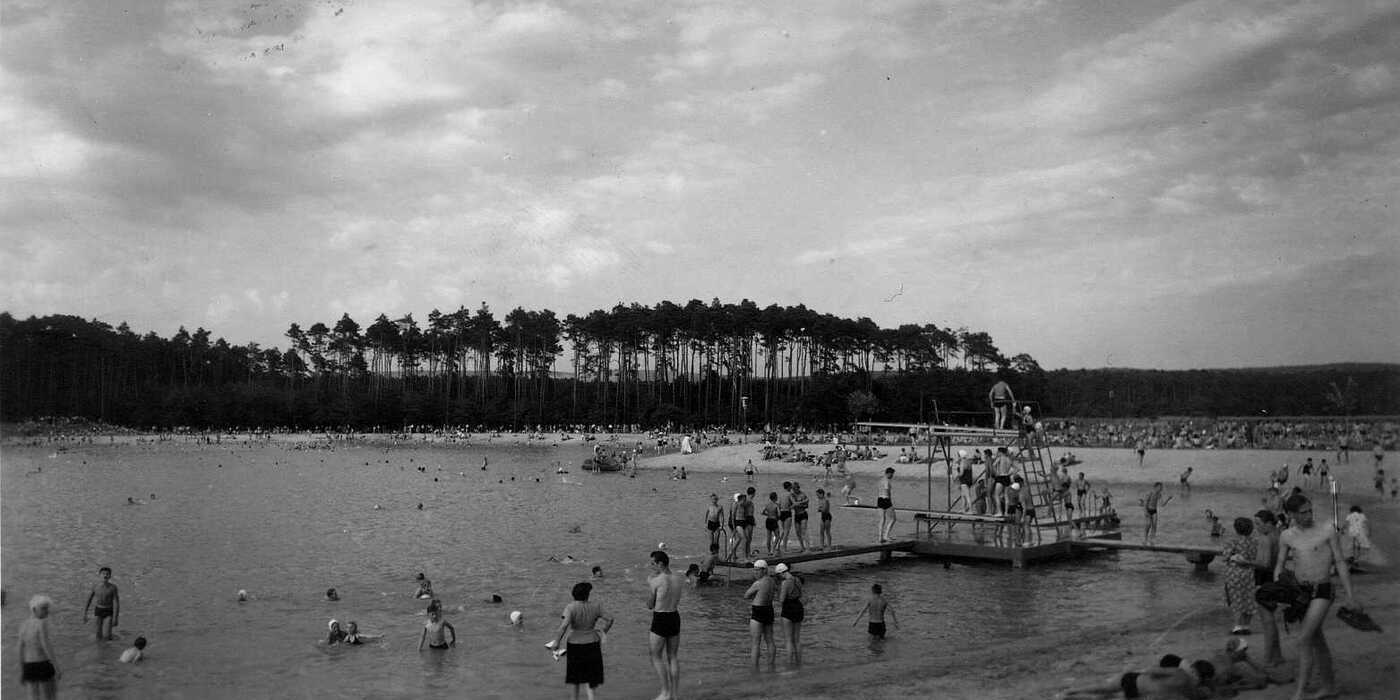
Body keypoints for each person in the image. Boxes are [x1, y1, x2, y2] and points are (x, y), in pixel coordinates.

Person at [1274, 493, 1360, 700]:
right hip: (1300, 593)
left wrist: (1350, 595)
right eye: (1303, 512)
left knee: (1303, 639)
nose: (1309, 515)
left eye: (1310, 510)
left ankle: (1300, 692)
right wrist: (1278, 588)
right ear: (1292, 514)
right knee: (1316, 640)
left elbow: (1339, 562)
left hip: (1323, 590)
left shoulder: (1327, 530)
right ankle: (1329, 687)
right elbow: (1279, 563)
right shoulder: (1286, 536)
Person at [551, 581, 614, 700]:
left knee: (575, 679)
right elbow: (610, 619)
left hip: (575, 645)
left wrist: (556, 642)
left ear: (573, 594)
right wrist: (603, 632)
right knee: (592, 678)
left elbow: (564, 626)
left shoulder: (570, 607)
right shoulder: (596, 606)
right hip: (593, 643)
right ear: (587, 595)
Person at [646, 550, 683, 700]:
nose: (651, 566)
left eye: (653, 563)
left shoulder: (656, 581)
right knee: (672, 656)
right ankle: (675, 694)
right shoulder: (678, 579)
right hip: (674, 616)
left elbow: (650, 604)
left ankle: (665, 692)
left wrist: (650, 582)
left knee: (655, 656)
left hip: (661, 618)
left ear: (660, 563)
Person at [1252, 510, 1285, 667]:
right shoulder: (1279, 535)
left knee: (1267, 622)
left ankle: (1268, 659)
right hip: (1275, 578)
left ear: (1268, 523)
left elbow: (1263, 564)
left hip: (1264, 580)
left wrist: (1244, 562)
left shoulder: (1265, 538)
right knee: (1270, 619)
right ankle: (1277, 656)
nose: (1256, 527)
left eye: (1258, 524)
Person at [1220, 517, 1258, 635]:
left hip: (1234, 573)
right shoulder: (1254, 541)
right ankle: (1246, 625)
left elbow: (1225, 556)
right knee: (1249, 598)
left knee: (1236, 599)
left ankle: (1238, 626)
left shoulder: (1232, 541)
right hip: (1249, 572)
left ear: (1236, 528)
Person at [18, 594, 58, 700]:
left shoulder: (24, 625)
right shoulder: (41, 623)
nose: (47, 611)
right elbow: (46, 645)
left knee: (33, 697)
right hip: (42, 664)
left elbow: (20, 650)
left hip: (29, 666)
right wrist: (56, 667)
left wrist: (22, 670)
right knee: (50, 696)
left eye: (47, 608)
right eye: (44, 608)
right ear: (34, 609)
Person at [743, 560, 777, 671]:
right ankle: (771, 666)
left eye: (757, 570)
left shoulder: (758, 583)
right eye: (754, 570)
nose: (755, 573)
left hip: (758, 610)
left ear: (764, 570)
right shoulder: (772, 581)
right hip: (769, 609)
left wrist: (756, 595)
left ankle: (755, 669)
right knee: (770, 640)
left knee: (755, 643)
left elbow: (746, 595)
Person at [775, 563, 804, 666]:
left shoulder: (785, 583)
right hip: (799, 607)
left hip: (788, 608)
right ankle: (799, 663)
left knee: (788, 640)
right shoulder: (798, 580)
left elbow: (782, 600)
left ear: (781, 573)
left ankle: (789, 664)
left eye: (778, 576)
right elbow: (801, 594)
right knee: (797, 639)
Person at [83, 565, 121, 641]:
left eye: (107, 574)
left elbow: (116, 603)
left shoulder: (113, 588)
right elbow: (89, 599)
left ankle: (108, 648)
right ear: (100, 575)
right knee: (98, 635)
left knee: (107, 636)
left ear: (110, 576)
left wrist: (115, 618)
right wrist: (85, 613)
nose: (105, 575)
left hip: (109, 611)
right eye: (103, 573)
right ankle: (99, 651)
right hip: (98, 610)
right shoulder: (95, 586)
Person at [790, 482, 810, 553]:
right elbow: (791, 506)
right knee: (798, 532)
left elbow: (806, 505)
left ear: (798, 488)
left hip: (803, 514)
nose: (794, 490)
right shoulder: (792, 495)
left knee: (804, 531)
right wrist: (796, 504)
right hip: (796, 515)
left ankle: (808, 548)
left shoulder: (803, 495)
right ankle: (802, 547)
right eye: (793, 489)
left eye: (795, 488)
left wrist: (798, 504)